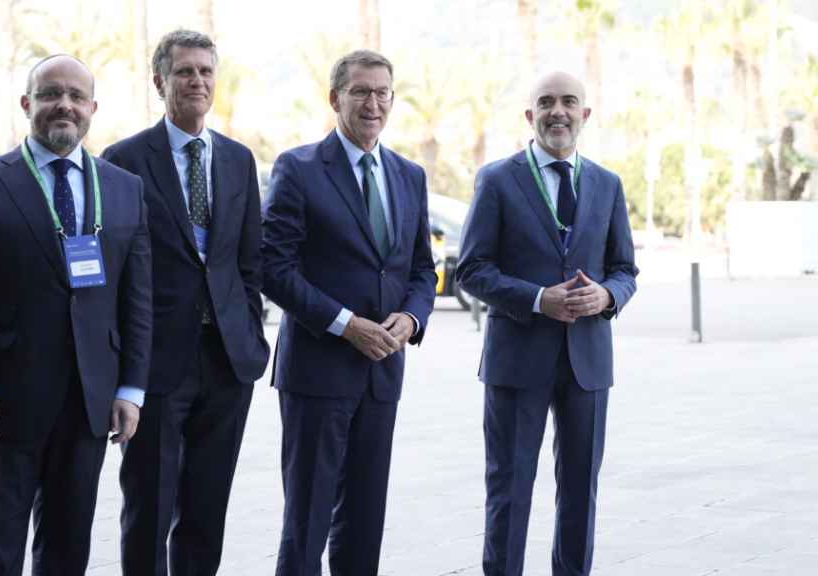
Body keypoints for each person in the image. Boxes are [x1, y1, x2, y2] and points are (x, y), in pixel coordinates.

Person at [0, 54, 152, 575]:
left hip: (87, 405)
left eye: (76, 96)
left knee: (67, 548)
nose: (64, 105)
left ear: (92, 108)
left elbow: (136, 299)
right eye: (51, 93)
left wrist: (131, 389)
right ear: (27, 103)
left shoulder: (123, 188)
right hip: (1, 407)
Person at [261, 49, 437, 576]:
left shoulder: (409, 175)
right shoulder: (299, 168)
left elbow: (422, 271)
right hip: (318, 372)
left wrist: (412, 318)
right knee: (308, 520)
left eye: (382, 91)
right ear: (335, 98)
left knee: (365, 520)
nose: (373, 102)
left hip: (382, 373)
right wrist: (345, 324)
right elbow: (274, 267)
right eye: (360, 91)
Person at [455, 71, 638, 576]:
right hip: (518, 360)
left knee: (581, 490)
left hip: (588, 363)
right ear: (529, 114)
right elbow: (471, 268)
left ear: (585, 114)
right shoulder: (497, 179)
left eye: (569, 102)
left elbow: (625, 269)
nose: (558, 111)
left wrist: (606, 295)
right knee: (509, 491)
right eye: (547, 102)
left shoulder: (607, 183)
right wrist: (538, 300)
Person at [102, 29, 270, 576]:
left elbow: (249, 262)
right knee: (148, 505)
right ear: (160, 82)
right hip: (154, 364)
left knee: (206, 507)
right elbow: (114, 269)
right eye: (184, 72)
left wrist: (250, 333)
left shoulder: (239, 160)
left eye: (205, 72)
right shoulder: (123, 159)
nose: (196, 81)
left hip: (226, 360)